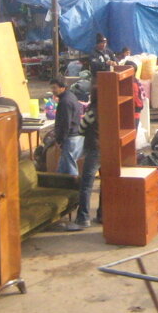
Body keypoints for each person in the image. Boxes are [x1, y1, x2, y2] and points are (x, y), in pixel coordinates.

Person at [66, 85, 100, 230]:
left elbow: (81, 129)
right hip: (108, 149)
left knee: (86, 185)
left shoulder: (93, 112)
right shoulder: (111, 108)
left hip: (94, 149)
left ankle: (83, 217)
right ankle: (103, 215)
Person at [50, 77, 83, 176]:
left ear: (62, 88)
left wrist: (60, 140)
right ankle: (60, 186)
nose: (53, 90)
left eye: (54, 88)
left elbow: (65, 123)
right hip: (76, 135)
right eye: (52, 88)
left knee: (70, 167)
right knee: (63, 166)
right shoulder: (71, 96)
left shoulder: (65, 102)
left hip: (70, 137)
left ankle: (75, 187)